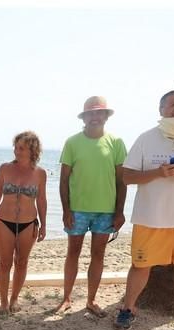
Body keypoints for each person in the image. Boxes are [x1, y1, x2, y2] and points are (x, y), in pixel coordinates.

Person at [115, 90, 174, 330]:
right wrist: (159, 172)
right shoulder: (146, 139)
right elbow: (126, 177)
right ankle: (128, 309)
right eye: (173, 105)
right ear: (161, 110)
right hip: (150, 217)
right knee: (140, 266)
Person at [56, 96, 127, 317]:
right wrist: (66, 210)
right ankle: (66, 298)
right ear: (84, 118)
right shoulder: (72, 142)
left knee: (98, 254)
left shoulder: (116, 142)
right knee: (73, 252)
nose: (95, 117)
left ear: (106, 116)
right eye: (90, 114)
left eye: (99, 113)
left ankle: (91, 300)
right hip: (77, 210)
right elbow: (64, 180)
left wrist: (119, 211)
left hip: (105, 211)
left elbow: (121, 180)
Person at [0, 131, 47, 314]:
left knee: (22, 262)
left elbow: (41, 200)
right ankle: (3, 301)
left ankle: (14, 299)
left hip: (29, 223)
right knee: (4, 263)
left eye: (21, 148)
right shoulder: (5, 168)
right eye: (16, 147)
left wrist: (43, 225)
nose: (17, 151)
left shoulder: (40, 173)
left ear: (32, 150)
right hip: (4, 221)